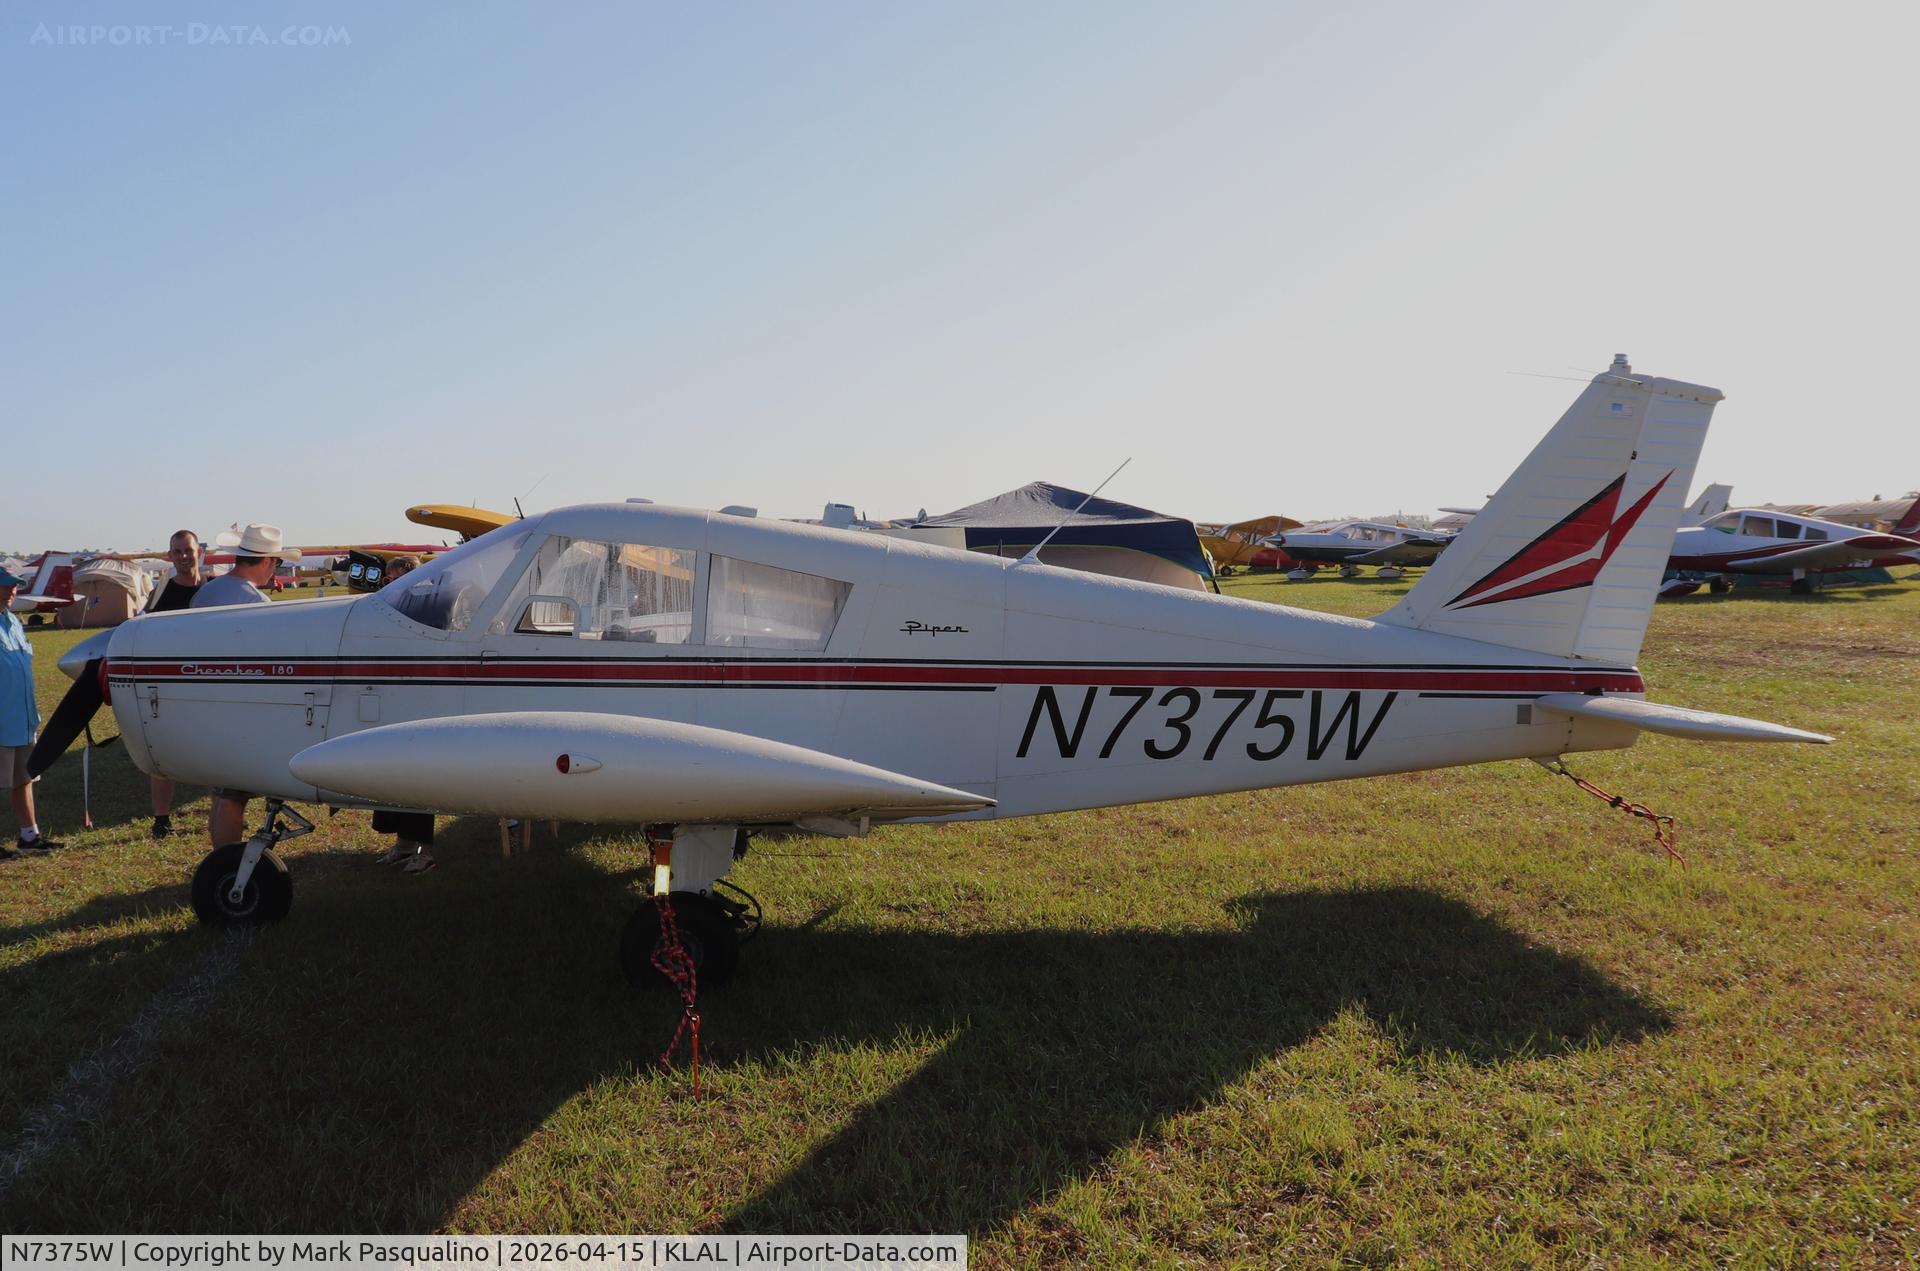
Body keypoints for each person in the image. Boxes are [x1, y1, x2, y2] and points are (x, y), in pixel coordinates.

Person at [191, 523, 299, 848]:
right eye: (276, 562)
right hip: (236, 706)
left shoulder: (208, 591)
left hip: (200, 700)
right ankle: (226, 862)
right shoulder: (255, 601)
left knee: (221, 791)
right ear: (266, 561)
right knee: (233, 794)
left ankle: (220, 855)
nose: (275, 568)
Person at [369, 555, 437, 872]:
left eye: (395, 579)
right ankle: (404, 844)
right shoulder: (391, 607)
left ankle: (425, 850)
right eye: (388, 579)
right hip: (392, 695)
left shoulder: (431, 606)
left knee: (416, 776)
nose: (390, 585)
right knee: (391, 773)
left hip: (418, 697)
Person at [0, 567, 65, 859]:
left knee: (23, 778)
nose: (11, 590)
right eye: (4, 585)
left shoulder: (14, 621)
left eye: (13, 586)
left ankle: (29, 836)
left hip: (22, 718)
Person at [144, 529, 204, 838]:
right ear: (170, 556)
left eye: (188, 550)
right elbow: (144, 632)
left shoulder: (212, 590)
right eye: (177, 551)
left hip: (209, 684)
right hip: (169, 685)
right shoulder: (161, 593)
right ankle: (161, 819)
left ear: (198, 552)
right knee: (163, 752)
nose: (183, 556)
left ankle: (222, 809)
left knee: (218, 748)